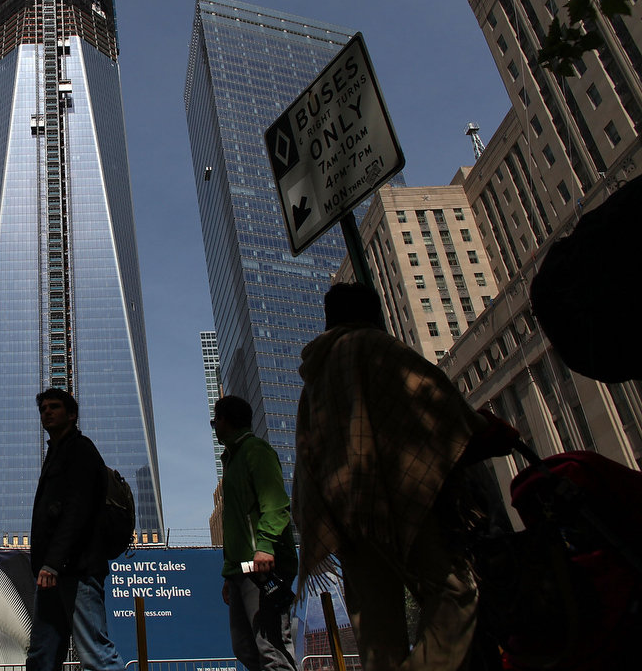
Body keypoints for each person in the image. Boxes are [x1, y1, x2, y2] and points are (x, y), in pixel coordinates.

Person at [292, 283, 518, 671]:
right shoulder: (373, 346)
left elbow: (307, 454)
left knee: (377, 637)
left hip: (348, 518)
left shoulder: (314, 378)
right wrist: (485, 429)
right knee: (455, 598)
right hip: (398, 504)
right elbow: (437, 404)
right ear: (372, 313)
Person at [26, 388, 125, 671]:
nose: (46, 411)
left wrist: (53, 563)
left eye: (54, 407)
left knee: (96, 653)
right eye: (43, 408)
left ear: (72, 415)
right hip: (53, 573)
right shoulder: (56, 452)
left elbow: (78, 511)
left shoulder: (81, 449)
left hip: (77, 570)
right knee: (41, 656)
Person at [213, 395, 298, 671]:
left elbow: (276, 505)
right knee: (245, 649)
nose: (214, 426)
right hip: (240, 572)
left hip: (263, 567)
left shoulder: (255, 450)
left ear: (225, 421)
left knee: (271, 647)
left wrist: (265, 546)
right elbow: (236, 526)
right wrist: (229, 576)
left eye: (214, 420)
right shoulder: (232, 460)